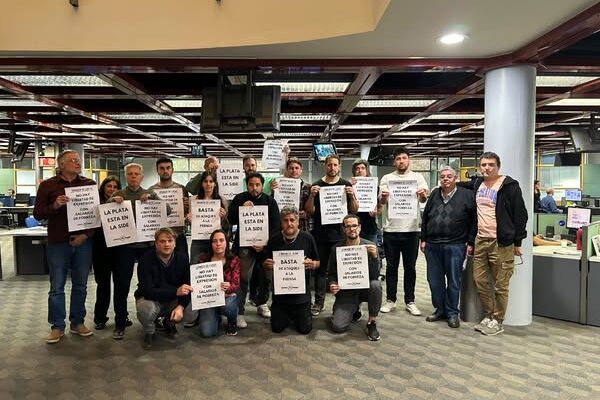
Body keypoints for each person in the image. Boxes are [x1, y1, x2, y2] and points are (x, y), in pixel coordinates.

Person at [34, 149, 96, 344]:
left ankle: (77, 323)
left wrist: (85, 236)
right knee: (57, 286)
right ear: (61, 165)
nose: (77, 162)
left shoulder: (89, 184)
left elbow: (96, 215)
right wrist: (54, 206)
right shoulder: (47, 186)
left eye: (78, 160)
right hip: (58, 242)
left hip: (83, 242)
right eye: (72, 160)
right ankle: (57, 326)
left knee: (81, 285)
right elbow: (38, 214)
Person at [467, 151, 528, 336]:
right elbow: (474, 213)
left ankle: (498, 320)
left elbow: (520, 215)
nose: (487, 168)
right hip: (481, 240)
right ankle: (488, 315)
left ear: (498, 166)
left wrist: (517, 242)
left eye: (491, 165)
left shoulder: (509, 186)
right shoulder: (478, 184)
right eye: (484, 165)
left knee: (501, 285)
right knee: (480, 280)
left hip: (501, 242)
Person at [109, 163, 169, 340]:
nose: (133, 176)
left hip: (146, 247)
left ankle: (154, 318)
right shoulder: (118, 194)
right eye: (130, 174)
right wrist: (112, 202)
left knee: (151, 283)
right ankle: (120, 323)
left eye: (136, 174)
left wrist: (152, 199)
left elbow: (168, 210)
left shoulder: (150, 193)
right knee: (121, 285)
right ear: (125, 176)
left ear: (141, 177)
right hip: (125, 247)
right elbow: (104, 213)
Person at [420, 166, 476, 328]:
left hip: (456, 245)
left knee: (453, 281)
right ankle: (440, 309)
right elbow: (426, 217)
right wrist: (423, 238)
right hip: (432, 245)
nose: (445, 179)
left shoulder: (467, 195)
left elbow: (474, 221)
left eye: (449, 176)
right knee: (434, 281)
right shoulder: (434, 194)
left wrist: (471, 242)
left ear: (455, 178)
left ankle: (452, 313)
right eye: (442, 176)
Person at [305, 154, 358, 316]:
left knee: (344, 270)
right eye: (329, 165)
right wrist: (312, 195)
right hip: (320, 235)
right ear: (325, 166)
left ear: (339, 166)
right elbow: (309, 211)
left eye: (335, 165)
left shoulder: (346, 185)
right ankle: (319, 303)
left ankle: (347, 303)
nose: (332, 168)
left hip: (341, 236)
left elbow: (354, 210)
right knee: (320, 271)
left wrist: (352, 195)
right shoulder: (317, 185)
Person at [378, 147, 429, 316]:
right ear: (394, 162)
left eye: (404, 158)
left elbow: (423, 199)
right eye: (398, 158)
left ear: (409, 160)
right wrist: (384, 197)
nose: (401, 161)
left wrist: (422, 195)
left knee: (410, 268)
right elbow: (382, 202)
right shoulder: (387, 178)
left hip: (412, 230)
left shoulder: (418, 177)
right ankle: (390, 300)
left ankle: (410, 301)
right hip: (391, 230)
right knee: (391, 267)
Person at [228, 172, 280, 328]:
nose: (254, 188)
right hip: (245, 247)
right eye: (251, 184)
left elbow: (276, 226)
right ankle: (240, 312)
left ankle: (262, 303)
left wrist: (266, 244)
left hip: (264, 247)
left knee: (266, 277)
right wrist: (240, 210)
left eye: (257, 185)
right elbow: (230, 219)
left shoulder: (270, 201)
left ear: (262, 186)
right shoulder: (239, 198)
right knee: (243, 279)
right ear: (247, 185)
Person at [262, 206, 320, 334]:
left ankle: (297, 315)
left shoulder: (308, 238)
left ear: (298, 221)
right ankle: (287, 316)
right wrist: (267, 265)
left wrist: (313, 264)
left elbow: (318, 262)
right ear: (281, 222)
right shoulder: (273, 240)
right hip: (280, 297)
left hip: (301, 297)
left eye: (292, 220)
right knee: (277, 328)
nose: (289, 223)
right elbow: (265, 264)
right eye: (285, 220)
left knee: (305, 329)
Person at [135, 227, 192, 349]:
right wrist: (175, 291)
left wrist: (181, 307)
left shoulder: (182, 259)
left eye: (170, 241)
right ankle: (149, 331)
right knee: (145, 309)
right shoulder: (145, 260)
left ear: (175, 243)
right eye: (162, 241)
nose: (167, 244)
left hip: (172, 300)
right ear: (156, 244)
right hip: (151, 299)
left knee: (192, 309)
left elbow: (187, 287)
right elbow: (147, 291)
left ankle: (169, 322)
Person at [327, 214, 381, 341]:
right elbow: (331, 274)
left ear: (360, 227)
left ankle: (371, 322)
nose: (352, 229)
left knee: (376, 285)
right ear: (344, 229)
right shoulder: (336, 249)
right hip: (346, 292)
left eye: (354, 226)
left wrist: (374, 257)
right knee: (337, 327)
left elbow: (375, 275)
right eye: (348, 226)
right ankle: (355, 308)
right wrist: (332, 284)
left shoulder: (370, 246)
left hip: (365, 289)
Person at [184, 229, 240, 337]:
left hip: (227, 297)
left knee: (228, 306)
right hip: (209, 300)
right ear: (211, 244)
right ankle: (216, 316)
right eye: (214, 241)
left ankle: (232, 321)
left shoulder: (234, 259)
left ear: (226, 242)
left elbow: (236, 284)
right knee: (207, 333)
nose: (218, 244)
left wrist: (229, 288)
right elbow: (197, 282)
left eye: (221, 240)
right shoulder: (203, 260)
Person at [92, 175, 125, 330]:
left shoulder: (123, 201)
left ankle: (122, 316)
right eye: (109, 186)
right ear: (103, 187)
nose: (112, 189)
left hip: (119, 248)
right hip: (100, 249)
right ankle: (100, 318)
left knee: (120, 285)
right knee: (103, 285)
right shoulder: (95, 202)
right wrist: (109, 203)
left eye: (115, 187)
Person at [149, 157, 190, 255]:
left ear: (172, 170)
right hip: (160, 236)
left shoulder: (181, 189)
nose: (165, 171)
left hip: (178, 234)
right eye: (162, 168)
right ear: (157, 171)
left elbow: (186, 214)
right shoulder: (151, 191)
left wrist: (186, 208)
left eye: (168, 168)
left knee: (182, 262)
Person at [188, 171, 228, 264]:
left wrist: (223, 216)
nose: (208, 184)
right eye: (205, 181)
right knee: (195, 266)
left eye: (211, 181)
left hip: (216, 241)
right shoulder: (193, 200)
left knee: (216, 267)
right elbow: (191, 223)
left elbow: (225, 225)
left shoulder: (222, 200)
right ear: (202, 183)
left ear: (215, 184)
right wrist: (189, 220)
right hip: (198, 240)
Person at [271, 157, 312, 232]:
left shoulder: (308, 187)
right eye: (291, 168)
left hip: (302, 226)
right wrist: (273, 191)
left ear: (301, 170)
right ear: (287, 170)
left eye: (296, 168)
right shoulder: (278, 186)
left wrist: (306, 214)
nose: (294, 170)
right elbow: (273, 207)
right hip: (283, 227)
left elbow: (312, 211)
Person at [351, 159, 383, 244]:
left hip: (370, 228)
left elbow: (380, 207)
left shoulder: (375, 187)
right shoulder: (349, 187)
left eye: (362, 168)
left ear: (367, 171)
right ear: (354, 171)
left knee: (371, 251)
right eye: (357, 168)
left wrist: (376, 211)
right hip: (353, 228)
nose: (360, 170)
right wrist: (350, 186)